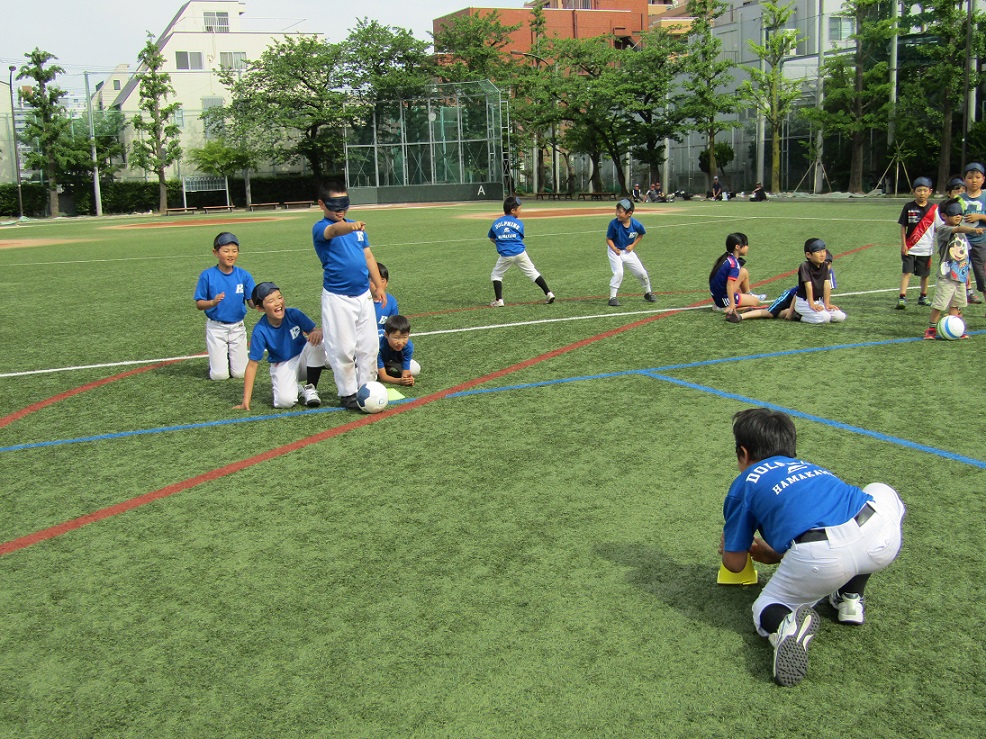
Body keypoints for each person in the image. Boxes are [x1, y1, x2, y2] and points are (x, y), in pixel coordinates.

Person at [719, 407, 906, 687]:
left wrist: (727, 548)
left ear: (743, 453)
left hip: (822, 559)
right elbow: (827, 520)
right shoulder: (809, 467)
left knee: (765, 606)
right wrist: (777, 555)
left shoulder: (745, 482)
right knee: (880, 489)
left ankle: (786, 625)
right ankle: (850, 598)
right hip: (881, 538)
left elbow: (734, 565)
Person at [313, 182, 387, 410]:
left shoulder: (358, 232)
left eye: (344, 203)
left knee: (369, 346)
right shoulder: (321, 227)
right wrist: (351, 226)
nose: (341, 209)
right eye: (335, 204)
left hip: (362, 295)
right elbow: (334, 231)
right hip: (338, 298)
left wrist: (378, 286)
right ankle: (347, 393)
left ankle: (367, 388)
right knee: (342, 349)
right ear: (322, 205)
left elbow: (368, 258)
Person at [235, 282, 325, 411]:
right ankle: (297, 388)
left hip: (304, 359)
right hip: (282, 364)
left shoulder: (294, 314)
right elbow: (252, 364)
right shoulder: (260, 330)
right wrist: (246, 400)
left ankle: (311, 388)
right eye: (271, 300)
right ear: (260, 308)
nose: (278, 303)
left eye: (279, 297)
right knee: (285, 402)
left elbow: (314, 333)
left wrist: (318, 332)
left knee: (316, 343)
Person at [193, 232, 256, 381]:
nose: (231, 255)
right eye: (226, 251)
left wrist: (264, 302)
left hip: (237, 327)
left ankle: (228, 357)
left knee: (240, 374)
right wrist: (212, 303)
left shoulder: (244, 275)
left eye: (234, 251)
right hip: (217, 328)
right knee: (219, 376)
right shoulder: (207, 275)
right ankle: (219, 359)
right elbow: (199, 304)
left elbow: (252, 303)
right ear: (215, 253)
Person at [923, 198, 984, 339]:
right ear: (944, 216)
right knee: (940, 303)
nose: (958, 216)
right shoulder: (944, 229)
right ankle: (931, 329)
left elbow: (965, 254)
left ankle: (956, 328)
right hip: (947, 276)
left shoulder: (962, 233)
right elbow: (957, 228)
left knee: (956, 304)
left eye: (960, 213)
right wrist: (974, 230)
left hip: (960, 275)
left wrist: (966, 275)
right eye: (954, 213)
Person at [487, 195, 555, 307]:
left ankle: (499, 300)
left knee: (496, 275)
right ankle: (548, 293)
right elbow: (520, 237)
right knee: (532, 272)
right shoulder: (519, 223)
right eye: (519, 209)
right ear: (513, 210)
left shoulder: (496, 222)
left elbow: (492, 238)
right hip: (520, 252)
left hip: (505, 255)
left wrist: (502, 242)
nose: (520, 211)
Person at [896, 176, 937, 310]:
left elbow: (938, 228)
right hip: (910, 247)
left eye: (925, 190)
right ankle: (902, 297)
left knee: (925, 274)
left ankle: (923, 296)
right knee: (906, 272)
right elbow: (903, 226)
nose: (922, 193)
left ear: (930, 191)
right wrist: (903, 244)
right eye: (919, 190)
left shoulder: (934, 209)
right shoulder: (908, 207)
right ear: (913, 191)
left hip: (926, 248)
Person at [606, 198, 656, 306]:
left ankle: (648, 292)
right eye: (617, 211)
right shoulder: (614, 224)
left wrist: (632, 245)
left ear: (629, 213)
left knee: (642, 272)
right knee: (619, 272)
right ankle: (612, 297)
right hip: (615, 251)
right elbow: (608, 239)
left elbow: (641, 234)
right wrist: (614, 249)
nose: (617, 214)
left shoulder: (636, 224)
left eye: (620, 212)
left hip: (628, 252)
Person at [708, 232, 767, 320]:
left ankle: (748, 294)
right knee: (755, 301)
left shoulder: (727, 258)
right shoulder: (734, 264)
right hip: (722, 298)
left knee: (743, 272)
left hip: (718, 294)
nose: (748, 247)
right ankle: (723, 307)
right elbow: (729, 285)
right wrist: (732, 303)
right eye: (745, 245)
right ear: (737, 247)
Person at [942, 176, 980, 305]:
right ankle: (951, 296)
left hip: (963, 241)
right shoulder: (944, 208)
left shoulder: (963, 205)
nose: (960, 193)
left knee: (965, 265)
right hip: (949, 243)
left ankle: (968, 290)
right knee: (951, 270)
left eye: (962, 190)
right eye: (956, 191)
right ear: (948, 193)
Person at [794, 238, 846, 324]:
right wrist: (811, 304)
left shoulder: (824, 266)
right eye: (818, 252)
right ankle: (798, 316)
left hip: (819, 301)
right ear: (808, 255)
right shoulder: (804, 266)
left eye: (823, 251)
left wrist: (827, 304)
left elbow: (826, 285)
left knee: (840, 317)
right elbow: (808, 286)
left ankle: (815, 312)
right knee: (825, 318)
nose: (822, 255)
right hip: (804, 302)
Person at [960, 162, 986, 309]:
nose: (974, 180)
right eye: (970, 177)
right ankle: (956, 310)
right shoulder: (959, 199)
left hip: (981, 242)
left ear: (983, 179)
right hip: (961, 242)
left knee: (983, 276)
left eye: (977, 177)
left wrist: (980, 217)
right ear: (964, 179)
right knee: (957, 276)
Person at [377, 314, 421, 387]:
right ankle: (381, 366)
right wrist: (399, 381)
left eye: (404, 337)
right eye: (396, 338)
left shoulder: (408, 346)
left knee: (414, 369)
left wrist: (407, 378)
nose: (400, 342)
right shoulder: (378, 346)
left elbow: (406, 372)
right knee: (367, 375)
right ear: (386, 335)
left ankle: (386, 366)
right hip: (369, 358)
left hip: (389, 359)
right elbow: (383, 377)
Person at [374, 262, 399, 337]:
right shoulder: (361, 301)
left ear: (387, 282)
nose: (378, 284)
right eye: (374, 280)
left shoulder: (391, 301)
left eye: (382, 280)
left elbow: (393, 328)